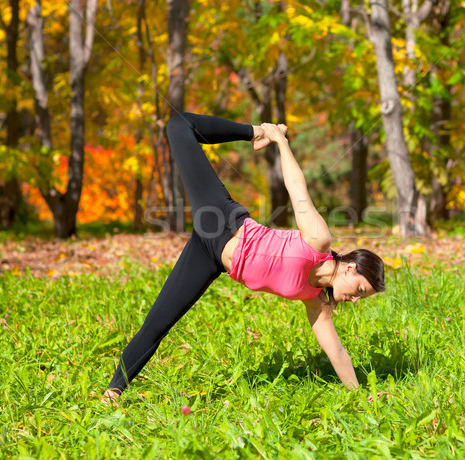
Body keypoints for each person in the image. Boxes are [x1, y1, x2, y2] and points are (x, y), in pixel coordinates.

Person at [102, 113, 385, 406]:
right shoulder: (318, 242)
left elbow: (336, 352)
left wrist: (361, 400)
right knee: (179, 125)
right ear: (350, 267)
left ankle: (112, 394)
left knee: (159, 321)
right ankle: (254, 132)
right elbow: (297, 188)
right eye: (360, 290)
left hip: (210, 257)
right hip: (222, 221)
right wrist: (279, 140)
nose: (355, 299)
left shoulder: (315, 300)